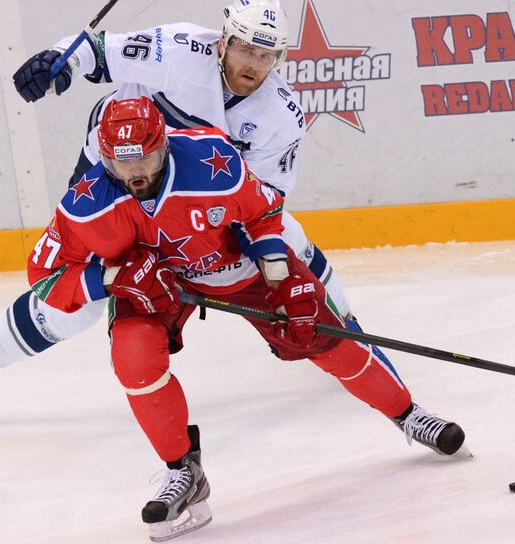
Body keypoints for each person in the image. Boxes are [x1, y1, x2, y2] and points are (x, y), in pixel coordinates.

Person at [25, 96, 465, 540]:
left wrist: (280, 276)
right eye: (122, 163)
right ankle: (183, 472)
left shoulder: (209, 158)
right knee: (133, 359)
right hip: (153, 285)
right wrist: (112, 277)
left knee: (322, 333)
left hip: (239, 267)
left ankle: (408, 414)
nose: (135, 171)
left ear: (165, 146)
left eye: (146, 156)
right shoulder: (85, 202)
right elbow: (43, 276)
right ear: (104, 158)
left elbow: (262, 212)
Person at [0, 0, 389, 430]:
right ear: (223, 41)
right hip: (114, 180)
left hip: (187, 202)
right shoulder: (178, 47)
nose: (253, 64)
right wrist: (57, 62)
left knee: (290, 241)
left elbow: (264, 203)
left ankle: (342, 331)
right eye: (244, 48)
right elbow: (99, 53)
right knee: (86, 297)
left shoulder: (282, 116)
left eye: (266, 54)